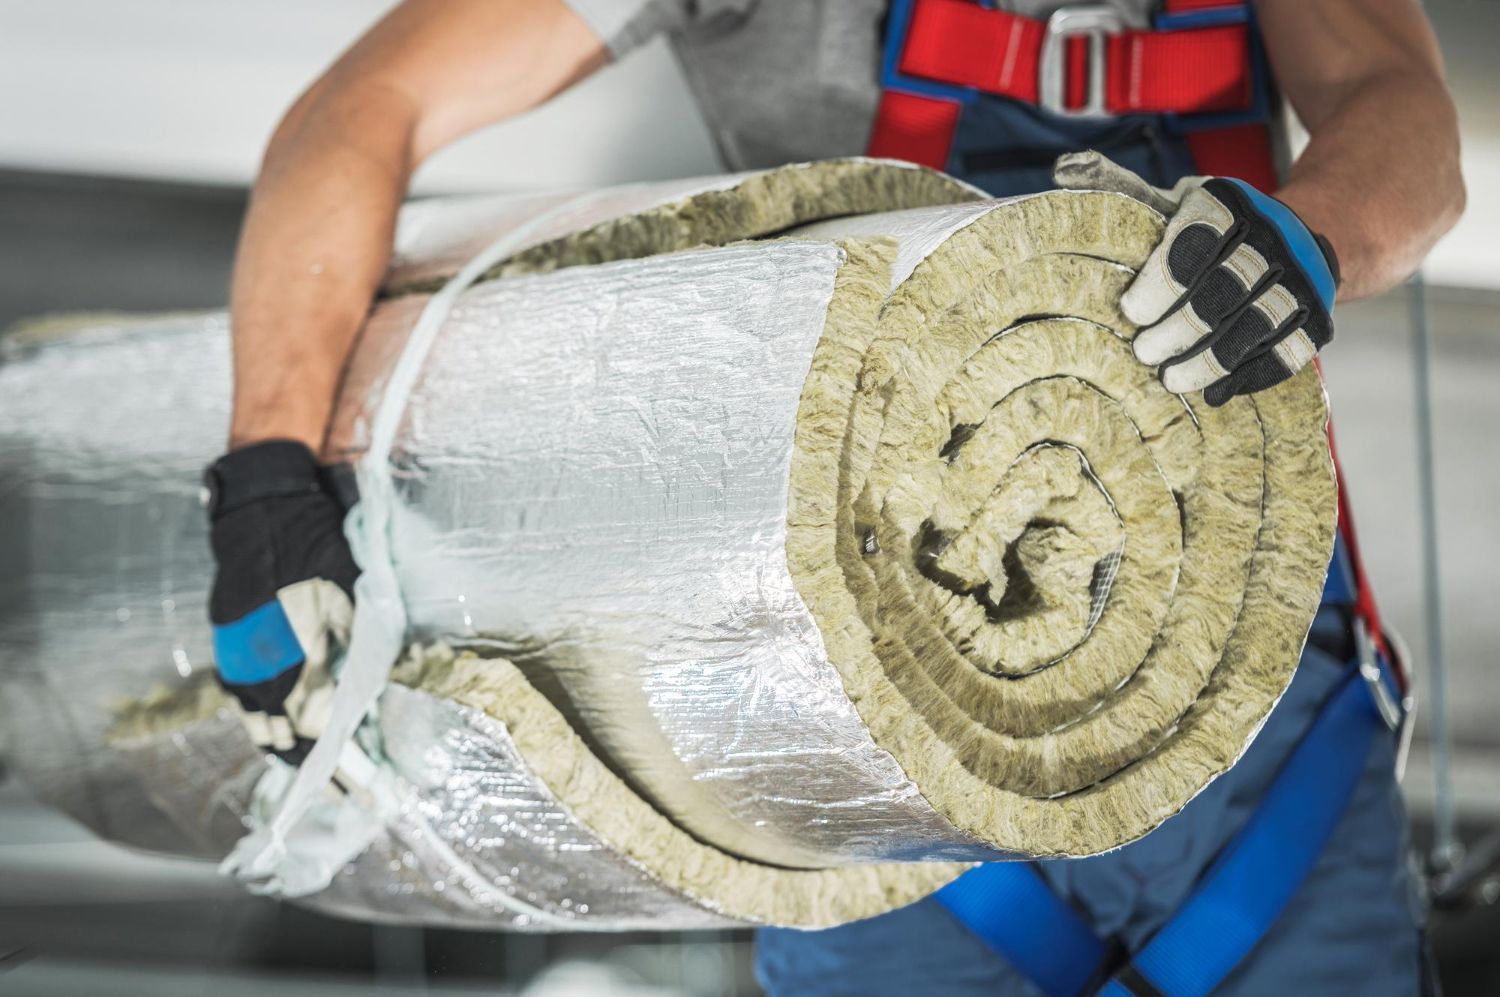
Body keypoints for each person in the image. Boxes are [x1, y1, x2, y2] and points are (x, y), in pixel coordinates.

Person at [199, 0, 1465, 992]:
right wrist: (267, 479)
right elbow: (370, 107)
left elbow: (1394, 108)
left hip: (1254, 716)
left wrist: (1314, 234)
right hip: (865, 746)